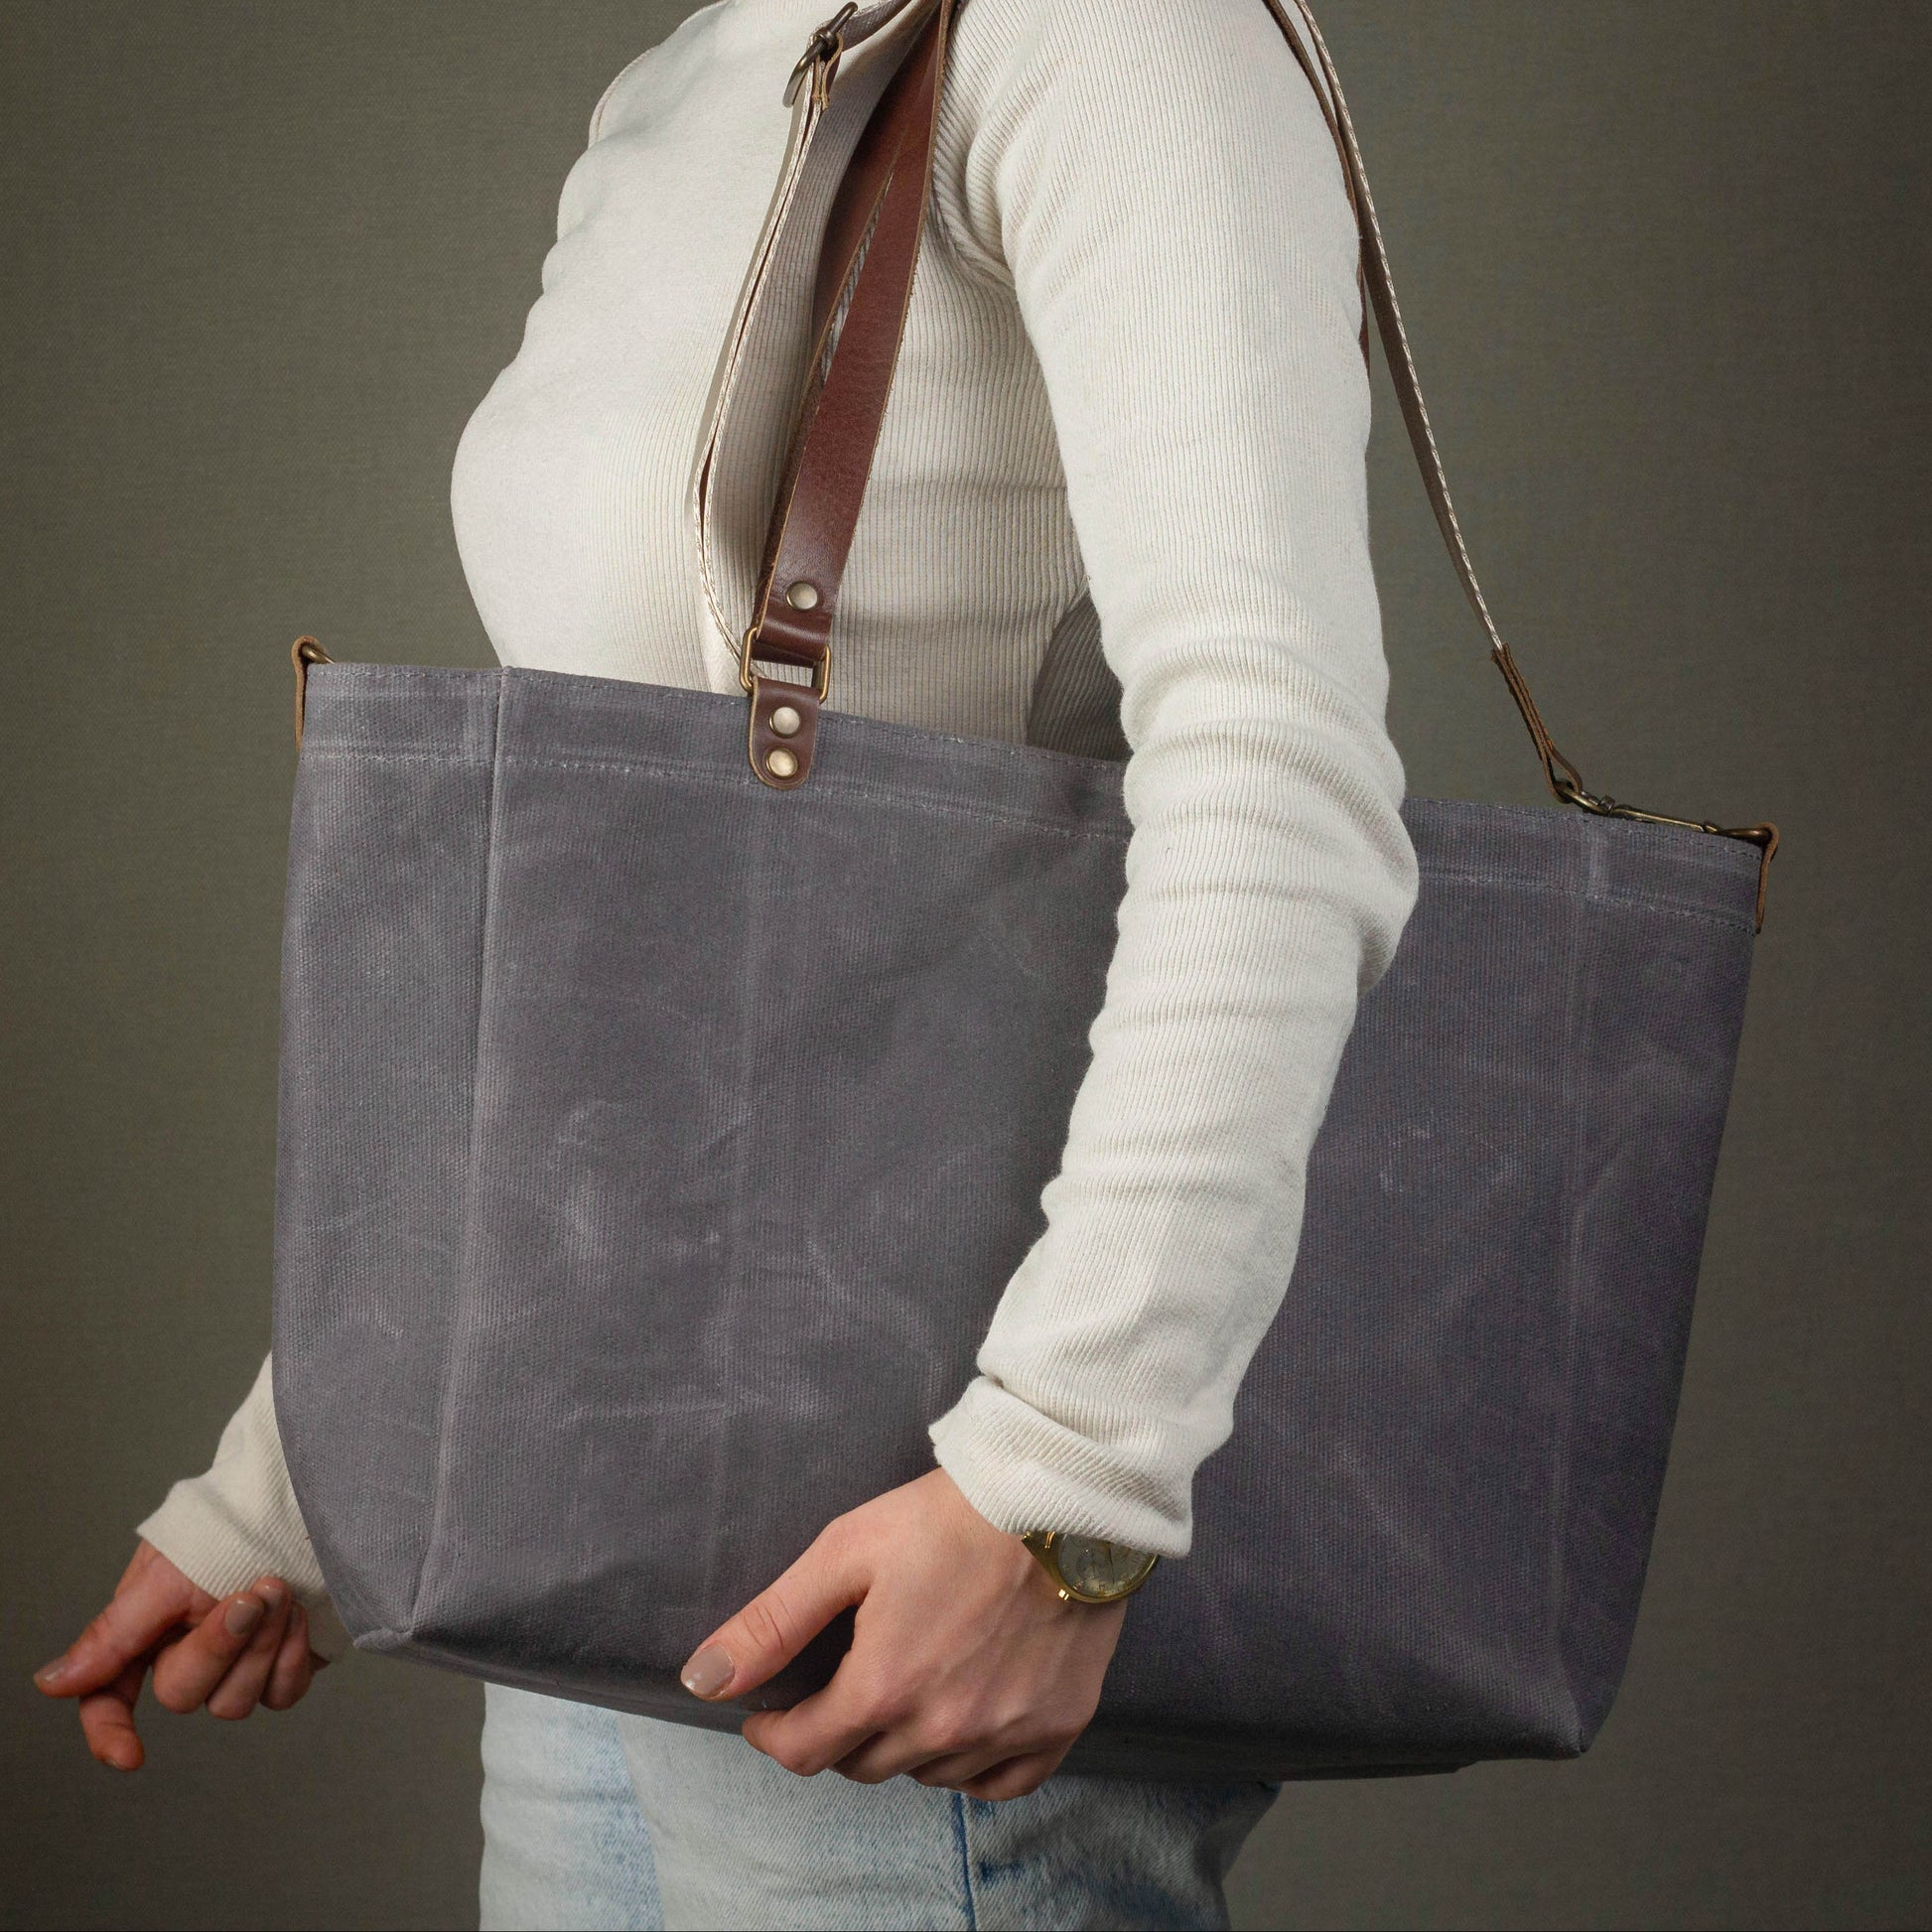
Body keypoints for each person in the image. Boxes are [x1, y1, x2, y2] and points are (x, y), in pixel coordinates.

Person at [35, 1, 1419, 1925]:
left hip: (913, 1567)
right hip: (602, 1552)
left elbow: (1287, 776)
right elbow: (628, 920)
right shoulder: (699, 73)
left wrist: (1060, 1503)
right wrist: (310, 1458)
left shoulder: (1112, 36)